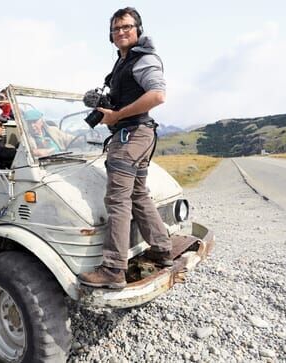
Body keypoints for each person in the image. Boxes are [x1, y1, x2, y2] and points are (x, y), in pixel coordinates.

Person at [78, 7, 172, 289]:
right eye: (116, 29)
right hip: (140, 135)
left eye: (127, 27)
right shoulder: (123, 63)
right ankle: (162, 249)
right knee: (139, 194)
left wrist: (117, 116)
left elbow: (157, 95)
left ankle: (113, 269)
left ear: (138, 29)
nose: (121, 32)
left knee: (117, 201)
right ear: (111, 35)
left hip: (130, 135)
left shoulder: (143, 59)